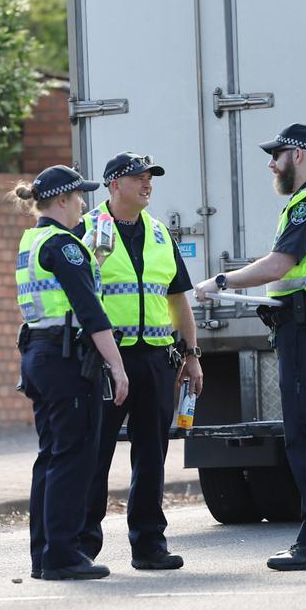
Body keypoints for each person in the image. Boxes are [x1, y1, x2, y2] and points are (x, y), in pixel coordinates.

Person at [194, 123, 306, 571]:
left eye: (276, 155)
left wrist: (222, 280)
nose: (271, 163)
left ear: (298, 156)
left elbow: (280, 264)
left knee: (305, 436)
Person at [76, 152, 202, 571]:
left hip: (154, 357)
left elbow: (178, 299)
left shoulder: (161, 234)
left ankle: (149, 545)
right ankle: (82, 545)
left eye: (150, 179)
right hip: (107, 358)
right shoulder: (86, 230)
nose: (147, 185)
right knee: (95, 454)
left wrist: (192, 355)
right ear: (114, 184)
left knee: (151, 455)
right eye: (138, 179)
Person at [11, 165, 130, 581]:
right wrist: (117, 366)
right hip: (66, 360)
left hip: (40, 355)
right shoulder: (64, 245)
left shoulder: (34, 241)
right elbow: (91, 312)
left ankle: (45, 555)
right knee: (74, 457)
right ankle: (63, 555)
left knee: (51, 456)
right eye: (79, 196)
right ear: (62, 199)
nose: (84, 203)